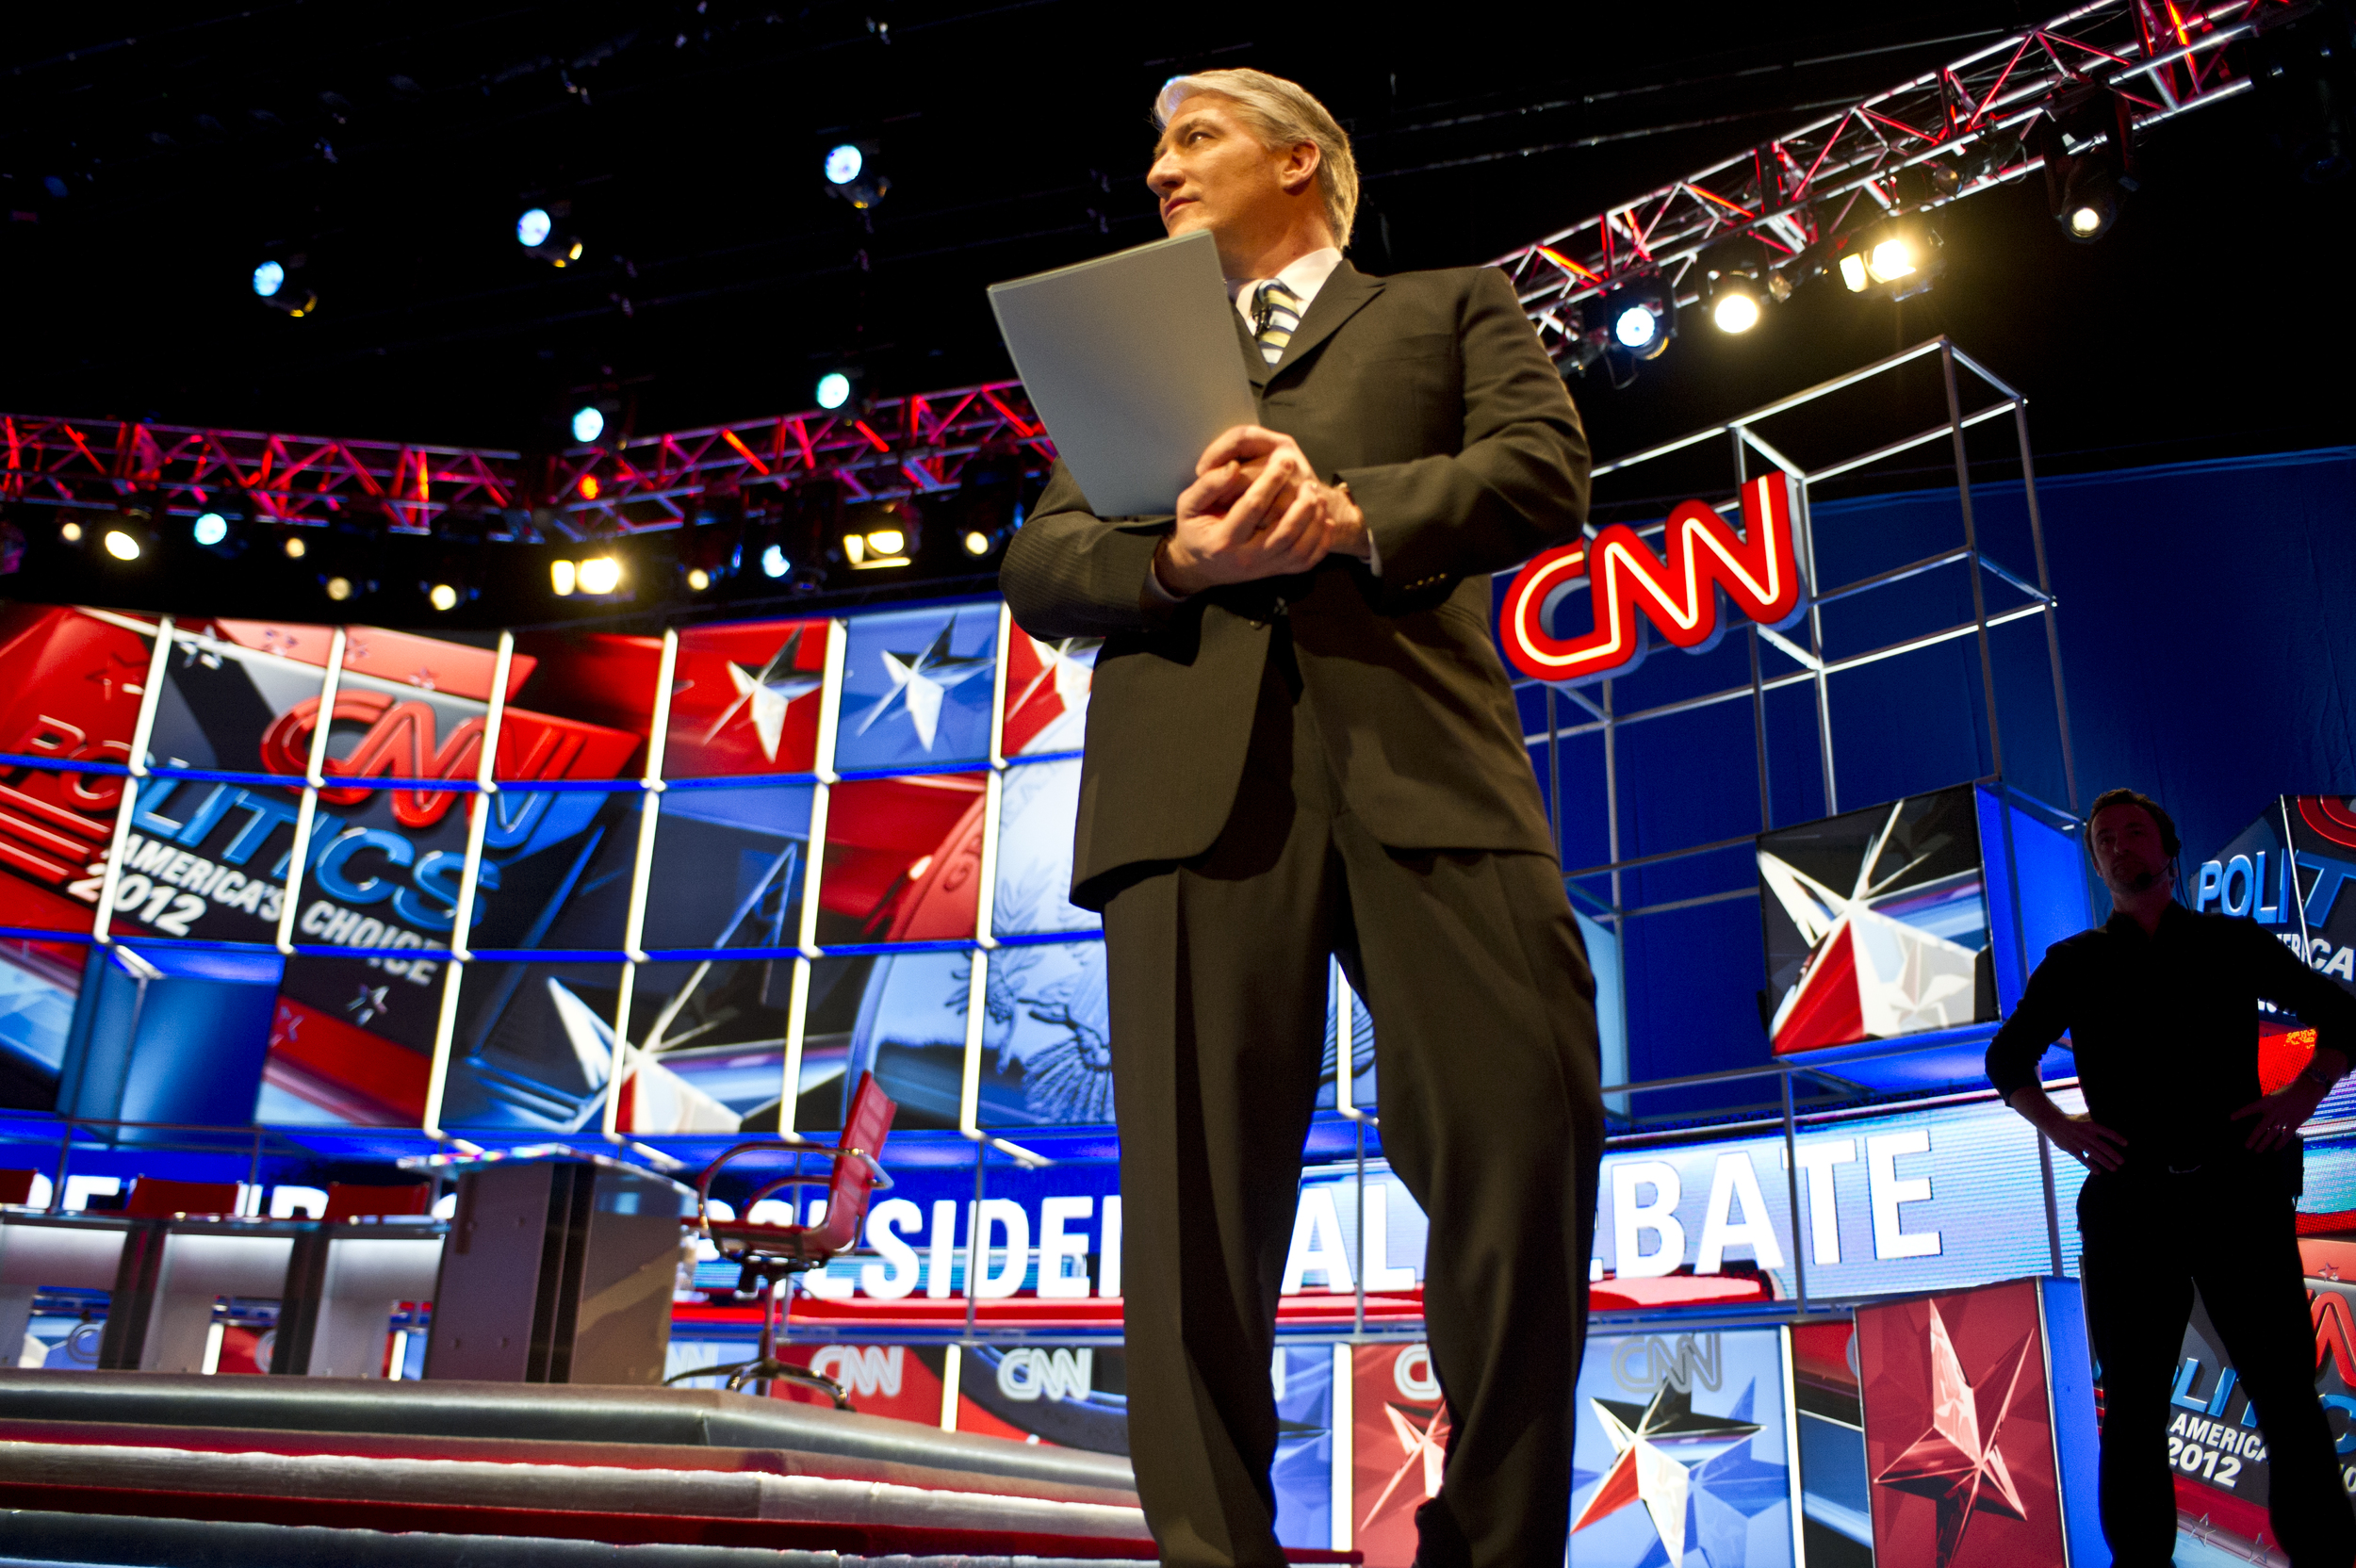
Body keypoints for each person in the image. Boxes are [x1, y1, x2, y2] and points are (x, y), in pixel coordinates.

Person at [998, 67, 1604, 1568]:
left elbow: (1544, 472)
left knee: (1526, 1148)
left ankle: (1494, 1546)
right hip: (1189, 808)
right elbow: (1041, 563)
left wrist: (1340, 511)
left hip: (1430, 775)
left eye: (1192, 139)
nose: (1159, 171)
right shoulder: (1128, 365)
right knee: (1194, 1223)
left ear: (1301, 160)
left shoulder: (1449, 307)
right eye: (1155, 146)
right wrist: (1175, 568)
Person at [1987, 787, 2356, 1567]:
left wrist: (2300, 1097)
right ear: (2097, 863)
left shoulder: (2231, 943)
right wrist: (2059, 1126)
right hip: (2132, 1206)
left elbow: (2345, 1017)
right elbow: (2007, 1059)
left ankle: (2327, 1558)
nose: (2119, 847)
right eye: (2104, 840)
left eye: (2132, 832)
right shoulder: (2077, 963)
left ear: (2166, 846)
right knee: (2133, 1411)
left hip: (2238, 1194)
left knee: (2288, 1399)